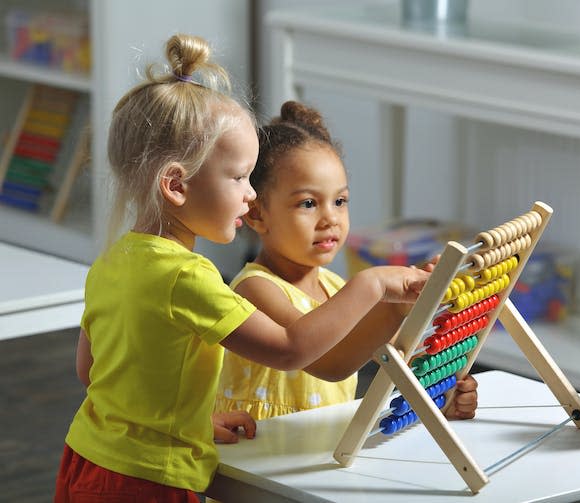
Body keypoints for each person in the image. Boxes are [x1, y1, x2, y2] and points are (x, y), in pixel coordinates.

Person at [54, 34, 430, 503]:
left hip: (87, 459)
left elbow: (93, 371)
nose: (250, 194)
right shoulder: (187, 277)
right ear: (176, 185)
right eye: (238, 177)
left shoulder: (114, 261)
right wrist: (372, 283)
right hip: (146, 482)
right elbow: (292, 349)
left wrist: (189, 420)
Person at [214, 100, 479, 424]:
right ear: (257, 214)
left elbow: (402, 364)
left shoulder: (335, 289)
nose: (330, 219)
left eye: (340, 201)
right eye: (308, 203)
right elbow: (330, 362)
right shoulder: (255, 290)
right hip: (258, 452)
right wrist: (378, 290)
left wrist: (443, 393)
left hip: (320, 446)